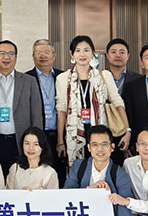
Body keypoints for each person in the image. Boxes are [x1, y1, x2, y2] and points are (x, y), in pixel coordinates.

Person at [63, 125, 134, 216]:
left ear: (112, 147)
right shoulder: (79, 166)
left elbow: (124, 210)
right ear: (88, 147)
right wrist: (90, 190)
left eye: (104, 144)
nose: (99, 149)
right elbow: (66, 197)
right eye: (95, 145)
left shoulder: (119, 173)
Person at [55, 35, 129, 167]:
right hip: (74, 136)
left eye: (86, 50)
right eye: (78, 50)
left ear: (92, 53)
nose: (82, 54)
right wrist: (60, 141)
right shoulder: (63, 78)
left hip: (100, 131)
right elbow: (61, 110)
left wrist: (127, 130)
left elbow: (118, 102)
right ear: (71, 54)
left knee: (101, 168)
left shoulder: (104, 75)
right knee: (78, 170)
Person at [0, 40, 43, 178]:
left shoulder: (29, 81)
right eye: (2, 53)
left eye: (11, 53)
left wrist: (36, 142)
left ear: (16, 57)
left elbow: (37, 114)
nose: (6, 57)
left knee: (21, 180)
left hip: (21, 141)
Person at [25, 39, 65, 183]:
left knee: (59, 174)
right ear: (33, 56)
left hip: (60, 136)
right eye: (38, 53)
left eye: (47, 52)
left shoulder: (63, 77)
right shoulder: (26, 78)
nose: (43, 56)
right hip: (37, 136)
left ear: (54, 55)